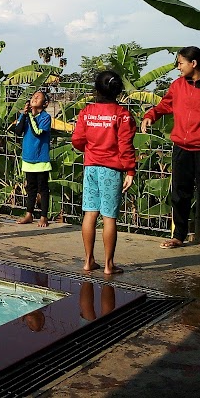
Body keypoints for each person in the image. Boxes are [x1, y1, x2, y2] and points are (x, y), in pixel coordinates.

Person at [141, 46, 200, 256]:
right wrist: (151, 115)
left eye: (180, 63)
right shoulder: (178, 85)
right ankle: (178, 236)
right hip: (181, 147)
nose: (178, 67)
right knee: (179, 193)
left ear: (194, 63)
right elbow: (165, 104)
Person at [72, 70, 136, 276]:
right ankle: (109, 265)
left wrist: (90, 150)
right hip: (112, 169)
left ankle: (88, 260)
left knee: (90, 213)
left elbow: (77, 140)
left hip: (91, 166)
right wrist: (130, 170)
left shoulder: (86, 112)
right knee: (109, 217)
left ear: (96, 89)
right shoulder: (122, 115)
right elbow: (125, 145)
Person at [15, 91, 53, 227]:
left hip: (41, 159)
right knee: (30, 188)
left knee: (42, 189)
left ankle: (43, 216)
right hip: (28, 158)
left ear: (45, 103)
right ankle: (29, 214)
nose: (34, 98)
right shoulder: (26, 116)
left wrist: (30, 115)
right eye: (33, 96)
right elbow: (18, 131)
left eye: (38, 97)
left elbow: (37, 132)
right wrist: (24, 115)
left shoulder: (45, 118)